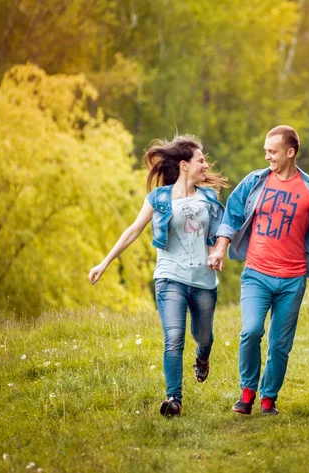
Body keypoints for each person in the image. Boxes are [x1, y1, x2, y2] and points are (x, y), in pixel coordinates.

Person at [207, 125, 309, 415]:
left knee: (280, 344)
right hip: (257, 275)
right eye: (266, 151)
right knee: (250, 331)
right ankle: (247, 391)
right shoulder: (256, 182)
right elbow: (233, 213)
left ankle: (268, 398)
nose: (267, 157)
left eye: (272, 152)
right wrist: (220, 247)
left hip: (292, 280)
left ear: (290, 152)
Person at [88, 135, 228, 418]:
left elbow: (218, 233)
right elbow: (133, 230)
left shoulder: (209, 198)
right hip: (170, 277)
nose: (205, 164)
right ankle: (173, 399)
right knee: (173, 337)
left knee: (204, 337)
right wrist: (104, 262)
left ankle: (202, 358)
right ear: (184, 165)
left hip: (203, 280)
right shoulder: (159, 198)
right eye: (200, 160)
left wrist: (216, 253)